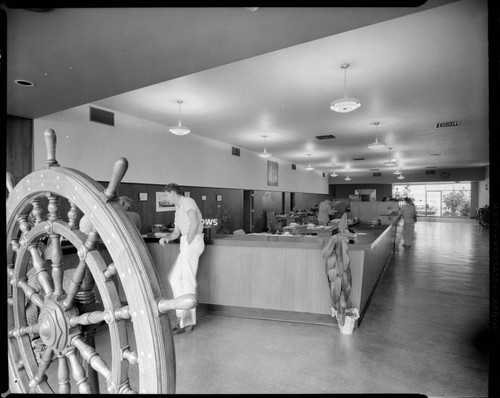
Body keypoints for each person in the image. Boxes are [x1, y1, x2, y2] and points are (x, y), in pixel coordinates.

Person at [159, 183, 205, 334]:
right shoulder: (178, 209)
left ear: (173, 192)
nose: (165, 197)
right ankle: (182, 317)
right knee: (174, 278)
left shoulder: (187, 201)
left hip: (192, 242)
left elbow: (195, 222)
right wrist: (167, 238)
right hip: (185, 242)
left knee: (187, 280)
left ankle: (187, 322)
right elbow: (176, 233)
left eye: (166, 195)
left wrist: (190, 241)